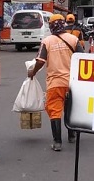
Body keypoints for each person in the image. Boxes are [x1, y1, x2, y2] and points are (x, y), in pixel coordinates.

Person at [28, 13, 84, 151]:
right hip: (72, 83)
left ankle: (57, 142)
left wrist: (32, 72)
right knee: (70, 109)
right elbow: (83, 59)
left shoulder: (47, 41)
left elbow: (40, 61)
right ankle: (72, 136)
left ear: (51, 26)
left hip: (55, 82)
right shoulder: (73, 39)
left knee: (55, 111)